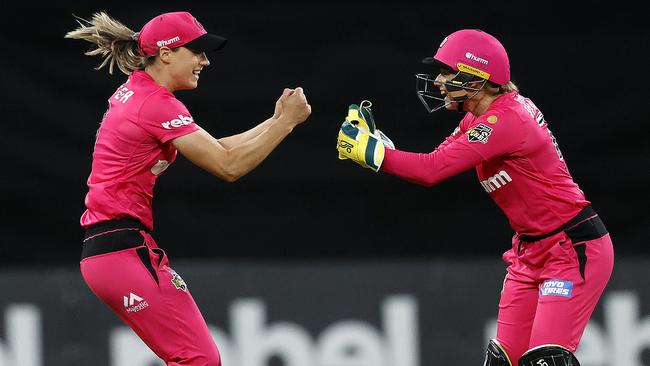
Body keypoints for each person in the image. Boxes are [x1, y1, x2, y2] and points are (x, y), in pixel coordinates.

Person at [336, 29, 612, 366]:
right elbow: (435, 159)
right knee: (503, 361)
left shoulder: (506, 121)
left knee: (546, 361)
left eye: (447, 72)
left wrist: (370, 152)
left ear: (477, 77)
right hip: (530, 251)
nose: (438, 81)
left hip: (572, 248)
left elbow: (431, 170)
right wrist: (379, 145)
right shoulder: (477, 118)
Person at [66, 11, 311, 366]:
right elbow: (229, 166)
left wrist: (275, 122)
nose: (205, 60)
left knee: (196, 359)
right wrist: (286, 124)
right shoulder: (155, 104)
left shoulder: (140, 92)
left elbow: (219, 148)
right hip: (121, 251)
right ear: (166, 54)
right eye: (196, 51)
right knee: (198, 359)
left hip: (112, 251)